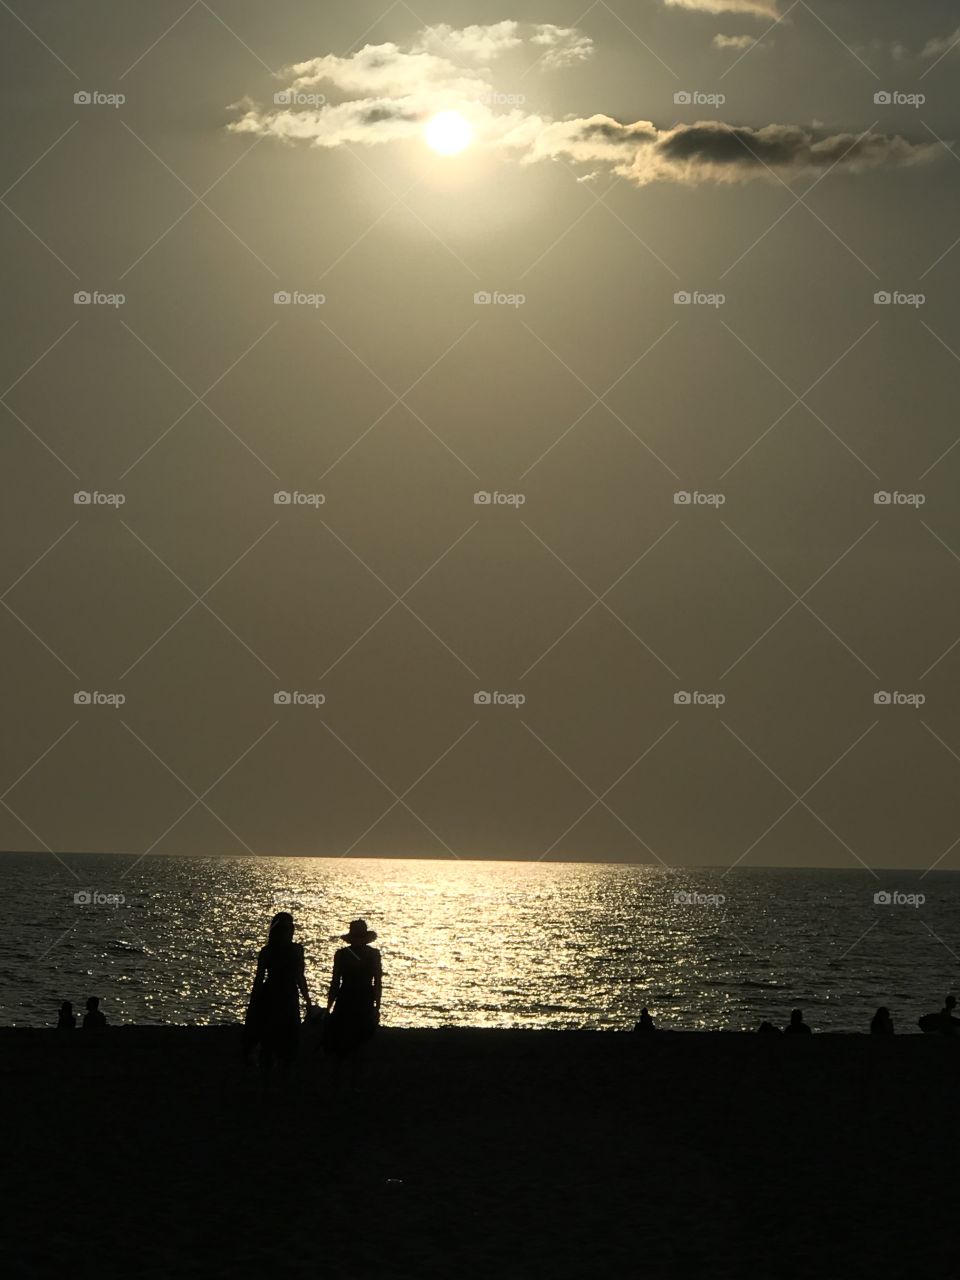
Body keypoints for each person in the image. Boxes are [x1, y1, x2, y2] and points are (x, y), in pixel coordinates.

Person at [244, 912, 310, 1073]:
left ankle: (275, 1067)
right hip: (278, 994)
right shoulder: (281, 951)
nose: (289, 932)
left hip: (281, 993)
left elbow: (299, 977)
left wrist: (307, 1000)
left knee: (284, 1033)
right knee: (275, 1033)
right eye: (287, 929)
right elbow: (259, 979)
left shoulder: (272, 951)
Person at [325, 920, 382, 1083]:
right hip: (362, 999)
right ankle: (353, 1081)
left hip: (347, 998)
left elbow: (335, 982)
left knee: (342, 1042)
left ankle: (338, 1079)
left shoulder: (342, 955)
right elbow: (377, 983)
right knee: (359, 1043)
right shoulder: (373, 955)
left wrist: (329, 1007)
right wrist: (377, 1007)